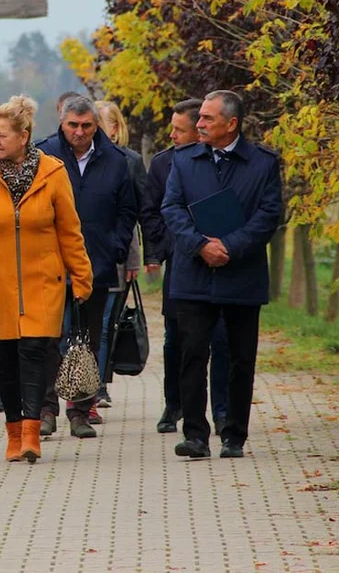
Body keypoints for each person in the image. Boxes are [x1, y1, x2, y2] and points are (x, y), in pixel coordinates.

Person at [0, 95, 92, 463]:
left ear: (23, 136)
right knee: (4, 361)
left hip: (42, 281)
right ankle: (14, 433)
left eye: (2, 135)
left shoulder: (53, 173)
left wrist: (81, 273)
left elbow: (70, 230)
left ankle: (32, 432)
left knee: (34, 354)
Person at [162, 90, 283, 459]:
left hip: (241, 276)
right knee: (193, 355)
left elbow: (268, 215)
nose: (198, 124)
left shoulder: (262, 164)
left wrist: (228, 246)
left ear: (232, 124)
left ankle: (234, 434)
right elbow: (172, 208)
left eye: (207, 119)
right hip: (193, 276)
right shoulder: (183, 161)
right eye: (199, 117)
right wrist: (200, 245)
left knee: (239, 357)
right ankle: (195, 435)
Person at [36, 95, 136, 439]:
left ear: (96, 125)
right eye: (72, 125)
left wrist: (115, 249)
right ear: (62, 123)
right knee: (47, 338)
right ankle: (45, 410)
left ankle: (80, 411)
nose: (79, 132)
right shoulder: (42, 155)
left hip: (97, 265)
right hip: (47, 265)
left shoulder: (116, 160)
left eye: (87, 126)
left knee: (87, 341)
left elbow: (127, 211)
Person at [143, 99, 230, 435]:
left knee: (221, 341)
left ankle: (221, 410)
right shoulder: (165, 164)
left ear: (199, 129)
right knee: (175, 340)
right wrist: (169, 248)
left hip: (222, 264)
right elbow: (151, 211)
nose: (172, 135)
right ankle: (174, 404)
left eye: (179, 130)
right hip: (180, 265)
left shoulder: (224, 163)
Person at [94, 101, 148, 411]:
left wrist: (136, 260)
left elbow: (137, 215)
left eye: (101, 125)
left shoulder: (130, 162)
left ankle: (99, 384)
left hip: (117, 256)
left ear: (115, 128)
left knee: (105, 323)